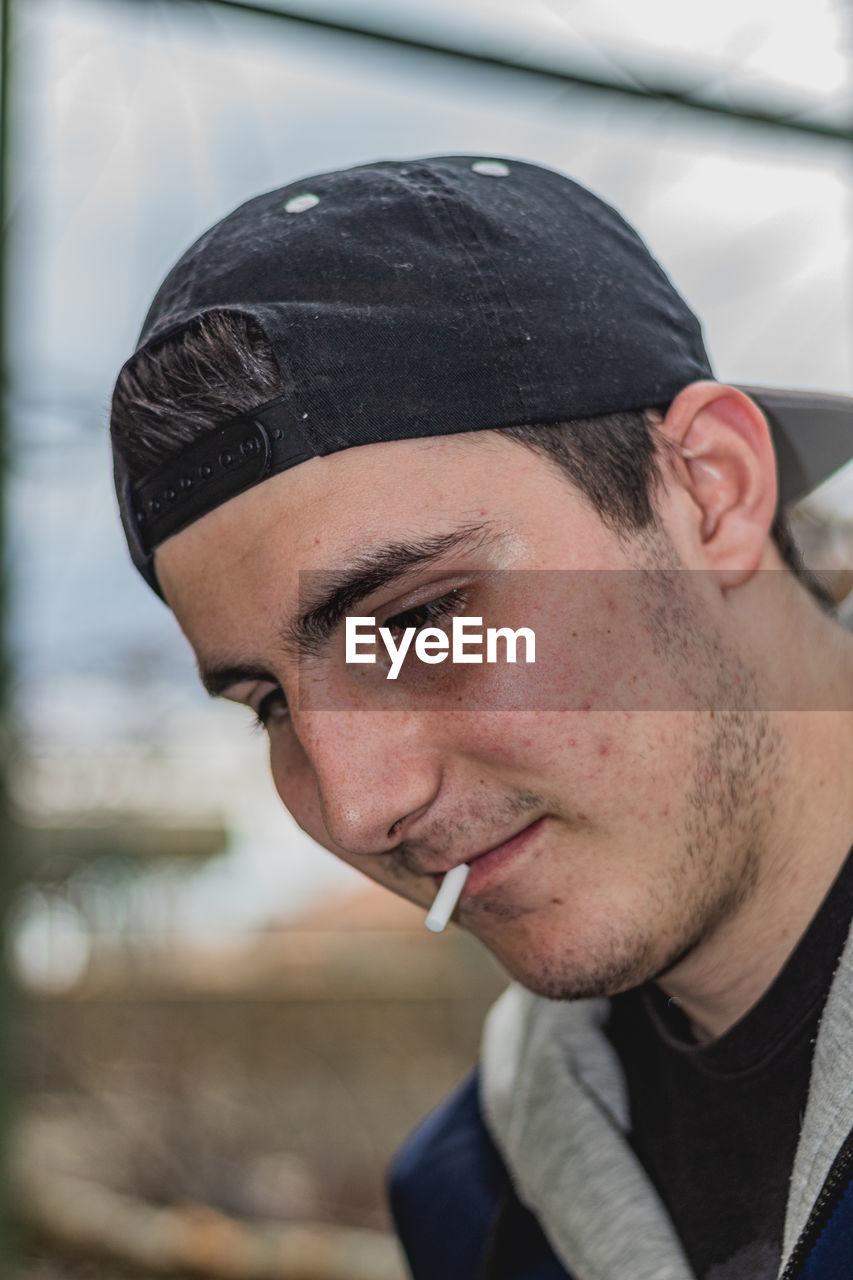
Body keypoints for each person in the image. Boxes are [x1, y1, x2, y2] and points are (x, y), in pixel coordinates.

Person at [109, 155, 853, 1280]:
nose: (359, 807)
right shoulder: (471, 1195)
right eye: (268, 703)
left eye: (416, 620)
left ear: (710, 488)